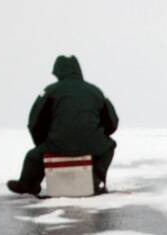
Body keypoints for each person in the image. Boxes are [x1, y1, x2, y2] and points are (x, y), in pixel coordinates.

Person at [7, 55, 119, 195]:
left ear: (58, 72)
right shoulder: (95, 91)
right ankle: (97, 181)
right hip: (92, 145)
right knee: (109, 146)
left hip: (57, 145)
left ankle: (27, 186)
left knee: (32, 157)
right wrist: (97, 136)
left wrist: (43, 144)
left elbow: (34, 122)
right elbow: (112, 122)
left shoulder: (50, 91)